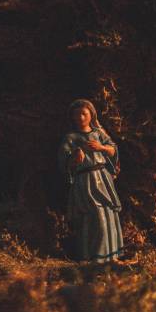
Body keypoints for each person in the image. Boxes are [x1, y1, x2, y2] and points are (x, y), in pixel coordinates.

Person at [60, 99, 124, 262]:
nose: (80, 118)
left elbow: (113, 150)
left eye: (84, 114)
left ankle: (110, 255)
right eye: (77, 115)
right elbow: (64, 160)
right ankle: (91, 255)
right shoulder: (70, 138)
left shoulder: (98, 134)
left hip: (102, 177)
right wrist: (75, 156)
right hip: (85, 180)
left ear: (91, 115)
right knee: (92, 215)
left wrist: (101, 147)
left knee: (107, 213)